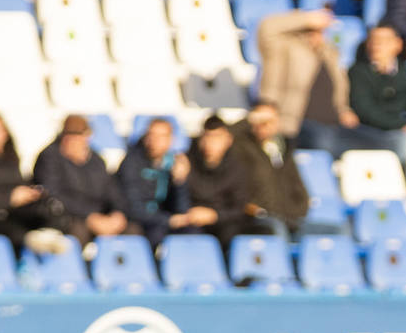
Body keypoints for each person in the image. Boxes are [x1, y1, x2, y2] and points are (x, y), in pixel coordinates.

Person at [257, 9, 358, 154]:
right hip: (296, 124)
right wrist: (306, 19)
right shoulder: (284, 48)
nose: (316, 34)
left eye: (319, 31)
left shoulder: (329, 54)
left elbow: (339, 88)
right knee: (325, 142)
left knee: (380, 144)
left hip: (336, 126)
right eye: (310, 30)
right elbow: (266, 28)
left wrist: (344, 110)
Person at [33, 113, 139, 247]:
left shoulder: (97, 161)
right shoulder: (49, 158)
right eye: (70, 136)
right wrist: (89, 217)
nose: (76, 141)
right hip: (69, 218)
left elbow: (113, 191)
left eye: (80, 136)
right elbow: (52, 195)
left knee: (133, 231)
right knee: (77, 232)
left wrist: (118, 214)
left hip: (99, 217)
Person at [0, 112, 67, 255]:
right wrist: (10, 197)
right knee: (13, 230)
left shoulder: (11, 159)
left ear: (5, 134)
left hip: (16, 213)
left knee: (50, 209)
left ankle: (48, 237)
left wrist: (31, 193)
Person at [347, 24, 406, 162]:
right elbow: (366, 112)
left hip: (405, 130)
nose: (377, 45)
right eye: (373, 40)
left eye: (384, 41)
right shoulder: (357, 72)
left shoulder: (404, 72)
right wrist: (404, 127)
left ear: (398, 44)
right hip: (376, 133)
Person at [183, 114, 263, 268]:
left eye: (216, 138)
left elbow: (240, 207)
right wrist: (179, 182)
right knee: (187, 234)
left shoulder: (238, 167)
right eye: (207, 137)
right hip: (193, 220)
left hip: (226, 222)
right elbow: (177, 203)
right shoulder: (187, 163)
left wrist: (215, 215)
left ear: (228, 140)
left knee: (242, 233)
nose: (210, 144)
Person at [228, 101, 312, 238]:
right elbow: (222, 136)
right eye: (261, 121)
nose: (265, 126)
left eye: (269, 121)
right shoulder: (242, 148)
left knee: (333, 232)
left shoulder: (284, 149)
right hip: (260, 218)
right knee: (276, 229)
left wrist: (297, 211)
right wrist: (248, 120)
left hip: (291, 217)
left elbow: (299, 187)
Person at [116, 116, 191, 248]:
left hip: (162, 220)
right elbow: (132, 207)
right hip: (140, 222)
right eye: (151, 135)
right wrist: (167, 220)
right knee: (143, 234)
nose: (154, 141)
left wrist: (180, 181)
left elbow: (181, 209)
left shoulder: (174, 163)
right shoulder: (131, 163)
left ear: (171, 140)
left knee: (192, 233)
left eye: (161, 136)